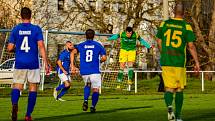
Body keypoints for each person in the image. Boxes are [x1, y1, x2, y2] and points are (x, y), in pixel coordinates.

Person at [156, 2, 200, 121]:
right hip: (179, 62)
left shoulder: (164, 24)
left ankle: (170, 107)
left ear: (173, 12)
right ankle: (179, 117)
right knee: (179, 89)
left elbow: (159, 41)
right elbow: (191, 46)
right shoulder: (186, 26)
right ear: (184, 13)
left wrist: (164, 53)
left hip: (166, 61)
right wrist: (197, 62)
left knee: (168, 88)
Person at [7, 7, 49, 121]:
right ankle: (28, 115)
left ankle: (15, 104)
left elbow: (10, 47)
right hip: (33, 63)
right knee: (33, 88)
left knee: (17, 86)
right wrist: (46, 62)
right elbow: (41, 46)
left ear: (21, 16)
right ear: (31, 15)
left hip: (20, 62)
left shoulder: (16, 29)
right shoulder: (36, 29)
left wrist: (15, 48)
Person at [71, 29, 106, 113]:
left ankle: (85, 101)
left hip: (84, 70)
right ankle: (93, 106)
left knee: (87, 85)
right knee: (96, 89)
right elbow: (104, 58)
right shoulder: (98, 45)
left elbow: (72, 52)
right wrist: (100, 61)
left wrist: (72, 65)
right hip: (94, 70)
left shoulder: (81, 45)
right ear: (94, 36)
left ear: (85, 36)